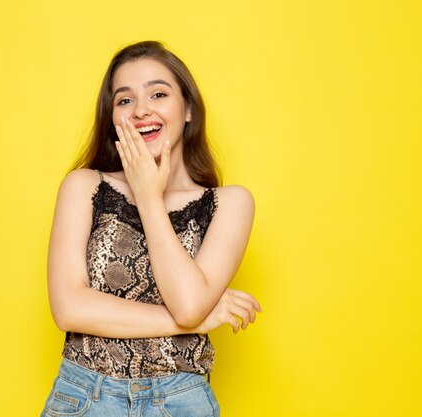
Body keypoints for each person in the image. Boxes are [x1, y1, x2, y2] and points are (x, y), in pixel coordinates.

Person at [42, 40, 261, 417]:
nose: (141, 109)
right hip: (85, 396)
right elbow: (69, 308)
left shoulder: (231, 203)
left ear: (188, 109)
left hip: (182, 401)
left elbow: (189, 304)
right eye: (125, 100)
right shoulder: (84, 186)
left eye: (158, 94)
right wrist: (191, 324)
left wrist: (148, 197)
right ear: (112, 117)